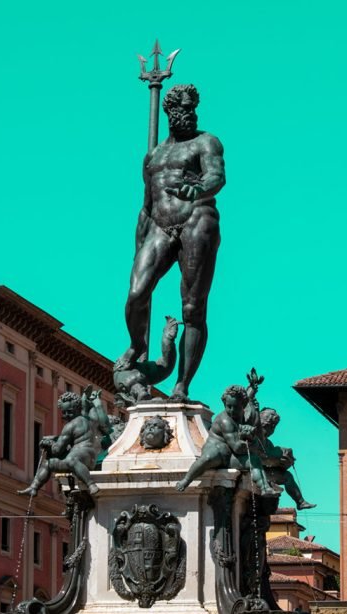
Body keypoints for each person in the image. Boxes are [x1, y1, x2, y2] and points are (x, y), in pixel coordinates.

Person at [116, 84, 226, 401]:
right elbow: (146, 205)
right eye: (184, 109)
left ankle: (182, 384)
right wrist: (139, 242)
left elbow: (217, 177)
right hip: (160, 225)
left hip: (197, 219)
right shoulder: (152, 156)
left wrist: (200, 188)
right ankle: (137, 345)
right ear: (170, 111)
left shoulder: (207, 142)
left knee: (192, 308)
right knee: (136, 293)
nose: (190, 115)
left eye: (193, 109)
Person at [175, 385, 276, 494]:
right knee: (207, 458)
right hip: (217, 450)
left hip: (231, 456)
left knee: (254, 460)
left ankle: (265, 488)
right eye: (228, 406)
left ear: (243, 405)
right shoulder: (225, 421)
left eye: (236, 407)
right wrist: (250, 439)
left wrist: (253, 390)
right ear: (224, 404)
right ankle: (186, 480)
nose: (231, 410)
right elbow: (237, 447)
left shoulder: (243, 415)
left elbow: (256, 435)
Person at [18, 389, 109, 497]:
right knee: (48, 464)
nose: (66, 415)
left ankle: (91, 484)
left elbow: (57, 450)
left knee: (68, 461)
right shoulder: (88, 420)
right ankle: (34, 487)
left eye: (69, 412)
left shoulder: (69, 426)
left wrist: (48, 443)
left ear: (76, 409)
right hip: (91, 457)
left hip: (80, 458)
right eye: (64, 412)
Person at [259, 408, 316, 510]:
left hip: (265, 471)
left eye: (273, 427)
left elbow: (271, 459)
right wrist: (276, 458)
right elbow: (260, 457)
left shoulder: (268, 443)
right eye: (267, 425)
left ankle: (300, 501)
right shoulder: (252, 438)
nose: (270, 429)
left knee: (287, 475)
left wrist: (286, 462)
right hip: (254, 472)